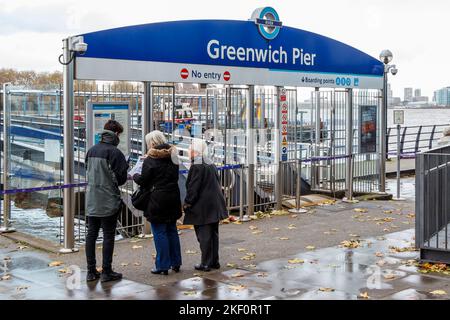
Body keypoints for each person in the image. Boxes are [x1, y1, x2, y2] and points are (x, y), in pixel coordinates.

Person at [85, 120, 129, 282]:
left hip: (92, 199)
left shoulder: (91, 151)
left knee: (91, 235)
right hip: (109, 200)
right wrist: (125, 166)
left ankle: (90, 271)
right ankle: (106, 271)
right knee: (108, 235)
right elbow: (121, 179)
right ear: (116, 134)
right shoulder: (115, 153)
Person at [133, 130, 182, 275]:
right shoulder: (174, 156)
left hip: (157, 199)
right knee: (172, 230)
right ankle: (176, 262)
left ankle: (162, 265)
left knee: (159, 231)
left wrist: (135, 175)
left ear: (153, 143)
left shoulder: (150, 160)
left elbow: (144, 181)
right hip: (173, 196)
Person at [183, 139, 228, 272]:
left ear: (194, 151)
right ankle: (214, 261)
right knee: (213, 234)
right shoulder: (209, 162)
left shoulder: (197, 164)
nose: (187, 151)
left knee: (204, 236)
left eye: (189, 148)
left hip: (203, 206)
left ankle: (206, 263)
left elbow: (193, 187)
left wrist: (188, 202)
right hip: (214, 203)